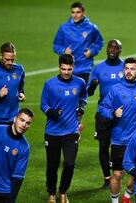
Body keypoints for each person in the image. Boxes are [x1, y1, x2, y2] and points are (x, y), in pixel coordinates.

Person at [99, 57, 136, 203]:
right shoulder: (115, 89)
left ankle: (127, 196)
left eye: (132, 69)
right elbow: (102, 109)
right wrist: (112, 113)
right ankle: (115, 201)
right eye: (127, 68)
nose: (129, 72)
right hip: (119, 139)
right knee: (117, 174)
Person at [40, 54, 87, 203]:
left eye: (69, 69)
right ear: (59, 67)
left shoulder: (80, 82)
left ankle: (63, 192)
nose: (66, 72)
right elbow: (43, 104)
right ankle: (51, 193)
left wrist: (81, 107)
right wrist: (51, 112)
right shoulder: (49, 84)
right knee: (52, 165)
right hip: (52, 132)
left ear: (73, 67)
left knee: (70, 164)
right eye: (63, 69)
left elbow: (83, 97)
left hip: (71, 131)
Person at [87, 39, 124, 189]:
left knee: (119, 146)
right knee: (103, 146)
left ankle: (117, 174)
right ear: (107, 49)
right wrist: (93, 85)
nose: (112, 50)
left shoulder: (125, 67)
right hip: (103, 113)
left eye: (116, 48)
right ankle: (107, 178)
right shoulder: (98, 68)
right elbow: (89, 93)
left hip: (122, 113)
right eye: (110, 47)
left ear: (120, 50)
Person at [53, 2, 104, 83]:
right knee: (68, 94)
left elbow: (100, 42)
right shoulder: (64, 28)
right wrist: (63, 51)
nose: (75, 15)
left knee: (81, 94)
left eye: (78, 12)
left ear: (83, 13)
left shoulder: (91, 28)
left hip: (84, 67)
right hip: (68, 67)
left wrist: (92, 51)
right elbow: (56, 45)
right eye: (73, 12)